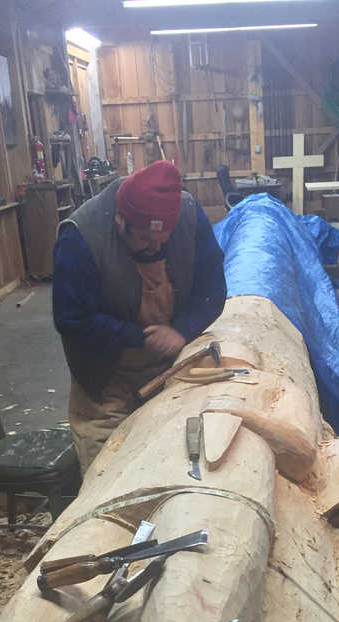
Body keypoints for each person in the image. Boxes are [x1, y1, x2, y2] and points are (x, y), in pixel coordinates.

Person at [53, 160, 227, 471]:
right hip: (107, 383)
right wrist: (137, 337)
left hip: (171, 372)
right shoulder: (81, 236)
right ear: (121, 220)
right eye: (146, 240)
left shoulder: (187, 215)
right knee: (107, 478)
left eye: (163, 240)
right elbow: (71, 319)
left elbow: (212, 289)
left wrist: (181, 332)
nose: (155, 248)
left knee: (176, 469)